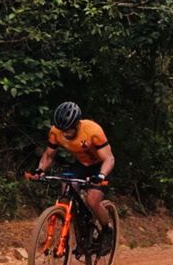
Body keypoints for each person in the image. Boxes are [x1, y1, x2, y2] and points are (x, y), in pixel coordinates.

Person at [34, 101, 115, 249]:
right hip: (81, 164)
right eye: (62, 129)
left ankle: (107, 230)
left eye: (69, 129)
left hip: (99, 166)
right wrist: (40, 170)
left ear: (77, 124)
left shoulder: (92, 131)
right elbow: (48, 155)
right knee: (65, 194)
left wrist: (102, 175)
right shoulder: (55, 132)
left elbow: (109, 158)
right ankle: (72, 230)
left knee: (92, 200)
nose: (65, 133)